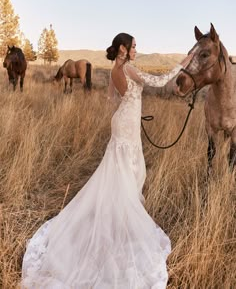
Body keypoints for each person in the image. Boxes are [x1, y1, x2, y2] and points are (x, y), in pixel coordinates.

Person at [21, 33, 192, 288]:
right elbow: (158, 81)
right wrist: (184, 63)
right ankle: (121, 224)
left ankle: (118, 218)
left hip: (123, 123)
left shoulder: (115, 70)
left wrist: (131, 104)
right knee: (128, 173)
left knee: (121, 171)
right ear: (123, 48)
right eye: (134, 46)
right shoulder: (129, 68)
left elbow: (110, 99)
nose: (136, 50)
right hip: (126, 126)